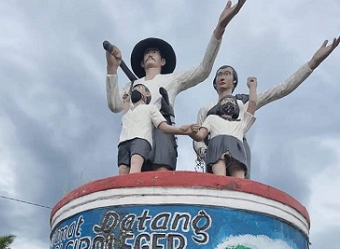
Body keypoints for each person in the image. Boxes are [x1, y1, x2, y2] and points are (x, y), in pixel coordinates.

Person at [106, 0, 247, 172]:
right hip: (134, 136)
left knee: (160, 180)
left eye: (154, 52)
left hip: (162, 135)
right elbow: (114, 105)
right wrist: (112, 69)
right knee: (130, 181)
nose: (150, 54)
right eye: (146, 53)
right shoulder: (131, 86)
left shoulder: (171, 80)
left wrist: (220, 27)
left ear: (162, 60)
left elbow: (203, 70)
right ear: (142, 62)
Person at [193, 37, 340, 177]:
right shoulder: (206, 109)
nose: (222, 77)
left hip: (236, 149)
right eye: (219, 75)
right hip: (214, 152)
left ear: (235, 80)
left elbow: (282, 89)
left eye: (227, 74)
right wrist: (205, 152)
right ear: (214, 82)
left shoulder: (243, 102)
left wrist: (313, 62)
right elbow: (198, 136)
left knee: (239, 185)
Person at [189, 77, 257, 177]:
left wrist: (252, 87)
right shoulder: (211, 118)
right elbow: (200, 136)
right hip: (217, 147)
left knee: (239, 181)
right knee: (219, 179)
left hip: (236, 148)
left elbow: (252, 104)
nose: (229, 101)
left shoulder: (240, 123)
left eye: (232, 101)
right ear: (219, 107)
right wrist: (191, 132)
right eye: (225, 100)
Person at [118, 84, 192, 175]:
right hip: (124, 141)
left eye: (139, 88)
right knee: (123, 168)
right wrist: (126, 102)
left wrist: (181, 130)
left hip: (140, 139)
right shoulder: (129, 112)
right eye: (134, 89)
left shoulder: (150, 108)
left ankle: (132, 187)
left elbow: (163, 127)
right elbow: (125, 115)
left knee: (135, 164)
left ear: (147, 94)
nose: (135, 90)